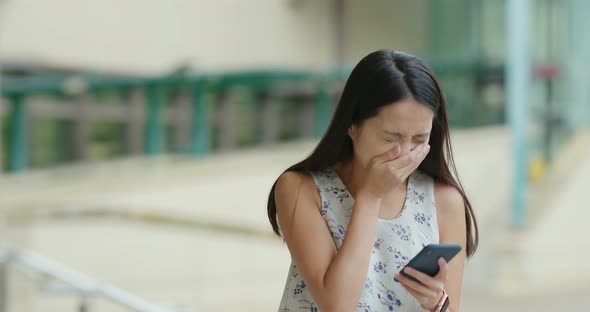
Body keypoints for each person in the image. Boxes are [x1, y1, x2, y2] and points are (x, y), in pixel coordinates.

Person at [266, 49, 478, 312]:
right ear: (352, 124)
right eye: (390, 139)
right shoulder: (301, 189)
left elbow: (451, 307)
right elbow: (337, 305)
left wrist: (437, 303)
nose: (404, 152)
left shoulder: (444, 201)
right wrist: (370, 196)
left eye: (419, 140)